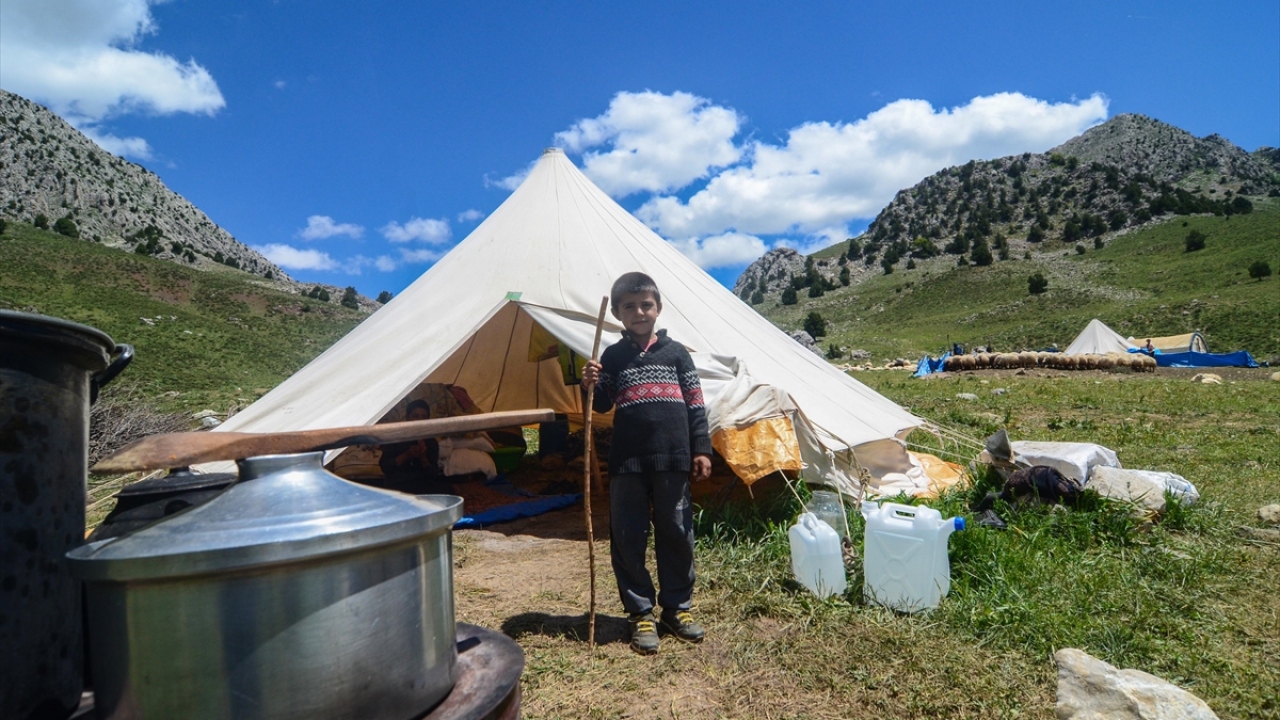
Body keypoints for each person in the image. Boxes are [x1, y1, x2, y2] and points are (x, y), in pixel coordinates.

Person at [582, 271, 712, 656]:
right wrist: (588, 382)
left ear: (658, 308)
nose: (638, 312)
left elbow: (695, 404)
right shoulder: (613, 356)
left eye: (645, 305)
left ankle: (677, 608)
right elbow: (602, 404)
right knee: (628, 535)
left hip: (673, 459)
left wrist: (701, 449)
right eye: (629, 307)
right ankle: (639, 612)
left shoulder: (677, 354)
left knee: (676, 530)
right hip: (627, 461)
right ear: (619, 314)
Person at [376, 400, 449, 494]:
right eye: (415, 416)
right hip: (398, 484)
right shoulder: (395, 438)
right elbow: (385, 467)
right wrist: (406, 455)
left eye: (424, 417)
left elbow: (433, 475)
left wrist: (423, 458)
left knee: (447, 491)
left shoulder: (431, 441)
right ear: (407, 418)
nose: (420, 420)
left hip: (422, 485)